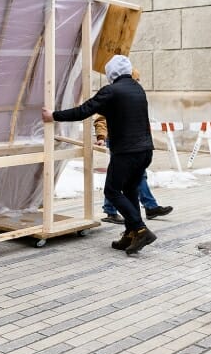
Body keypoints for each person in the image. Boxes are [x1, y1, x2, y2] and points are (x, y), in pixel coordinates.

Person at [41, 54, 157, 255]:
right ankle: (130, 233)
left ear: (111, 73)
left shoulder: (111, 91)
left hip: (126, 153)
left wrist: (54, 116)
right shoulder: (138, 89)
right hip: (145, 151)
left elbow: (83, 111)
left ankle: (140, 229)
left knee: (112, 191)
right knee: (130, 191)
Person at [94, 70, 172, 224]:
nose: (137, 82)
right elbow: (100, 119)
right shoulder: (114, 94)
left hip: (131, 143)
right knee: (125, 178)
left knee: (125, 177)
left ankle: (135, 209)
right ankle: (146, 208)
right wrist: (101, 137)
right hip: (119, 142)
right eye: (136, 79)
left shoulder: (131, 94)